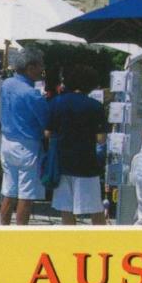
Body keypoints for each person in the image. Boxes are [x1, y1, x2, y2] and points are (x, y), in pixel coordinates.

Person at [46, 64, 107, 225]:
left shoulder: (56, 102)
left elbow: (48, 133)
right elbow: (101, 139)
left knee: (66, 207)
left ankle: (71, 241)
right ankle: (102, 242)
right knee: (95, 207)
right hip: (87, 163)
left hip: (62, 162)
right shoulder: (95, 106)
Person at [0, 47, 49, 226]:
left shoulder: (6, 84)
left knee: (9, 190)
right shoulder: (31, 93)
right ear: (30, 67)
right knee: (26, 194)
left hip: (7, 141)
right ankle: (21, 233)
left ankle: (3, 228)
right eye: (39, 66)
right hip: (26, 144)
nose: (42, 70)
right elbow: (45, 120)